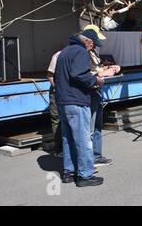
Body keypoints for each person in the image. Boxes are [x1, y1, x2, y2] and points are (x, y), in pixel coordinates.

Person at [55, 29, 105, 187]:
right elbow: (78, 75)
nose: (93, 49)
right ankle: (85, 175)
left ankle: (69, 172)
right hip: (76, 101)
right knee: (83, 139)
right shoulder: (80, 52)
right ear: (87, 42)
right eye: (93, 45)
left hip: (63, 100)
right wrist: (95, 80)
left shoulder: (64, 51)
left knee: (68, 138)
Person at [83, 24, 120, 167]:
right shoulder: (82, 53)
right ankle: (90, 158)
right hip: (90, 91)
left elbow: (96, 69)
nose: (96, 45)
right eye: (95, 41)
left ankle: (97, 155)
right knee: (90, 129)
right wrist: (105, 73)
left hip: (97, 91)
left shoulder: (92, 52)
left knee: (97, 126)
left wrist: (109, 68)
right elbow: (85, 74)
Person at [47, 50, 62, 157]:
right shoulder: (58, 55)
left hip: (69, 91)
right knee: (56, 118)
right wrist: (56, 87)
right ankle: (59, 149)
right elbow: (50, 74)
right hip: (58, 90)